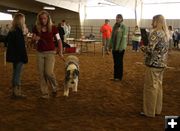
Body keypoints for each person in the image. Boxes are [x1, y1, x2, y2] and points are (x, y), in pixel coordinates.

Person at [140, 15, 169, 117]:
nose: (152, 22)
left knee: (150, 88)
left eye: (153, 20)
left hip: (153, 64)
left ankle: (149, 112)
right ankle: (157, 110)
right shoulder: (165, 34)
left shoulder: (155, 33)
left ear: (157, 21)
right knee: (158, 87)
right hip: (162, 64)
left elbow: (150, 49)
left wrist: (143, 47)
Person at [32, 10, 63, 99]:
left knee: (48, 73)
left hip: (50, 52)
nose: (43, 20)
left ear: (48, 18)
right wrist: (34, 39)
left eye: (45, 18)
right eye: (41, 19)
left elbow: (59, 40)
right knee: (41, 74)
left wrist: (60, 51)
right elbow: (32, 42)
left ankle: (55, 87)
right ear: (39, 19)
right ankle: (45, 93)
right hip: (39, 53)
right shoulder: (36, 28)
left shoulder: (53, 28)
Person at [6, 13, 28, 98]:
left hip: (13, 56)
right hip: (19, 57)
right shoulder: (18, 32)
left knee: (15, 73)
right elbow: (21, 47)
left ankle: (14, 92)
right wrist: (24, 58)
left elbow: (7, 40)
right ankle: (17, 93)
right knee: (17, 74)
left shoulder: (12, 31)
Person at [109, 14, 128, 81]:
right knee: (115, 62)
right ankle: (115, 76)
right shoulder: (115, 26)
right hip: (114, 47)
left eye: (119, 18)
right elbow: (112, 37)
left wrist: (121, 47)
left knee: (119, 62)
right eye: (117, 18)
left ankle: (119, 77)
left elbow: (124, 38)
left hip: (120, 48)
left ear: (121, 19)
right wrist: (110, 45)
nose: (117, 19)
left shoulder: (124, 27)